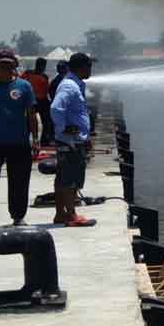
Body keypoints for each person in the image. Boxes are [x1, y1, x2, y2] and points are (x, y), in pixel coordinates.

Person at [0, 48, 38, 230]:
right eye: (1, 64)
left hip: (20, 142)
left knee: (19, 181)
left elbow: (31, 114)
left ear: (14, 66)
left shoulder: (24, 86)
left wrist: (35, 139)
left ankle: (18, 216)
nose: (5, 68)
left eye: (8, 64)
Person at [50, 52, 96, 227]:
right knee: (71, 178)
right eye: (89, 66)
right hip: (70, 142)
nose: (91, 69)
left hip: (73, 140)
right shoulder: (70, 86)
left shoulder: (74, 84)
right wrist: (64, 128)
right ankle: (71, 215)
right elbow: (56, 108)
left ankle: (61, 214)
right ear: (82, 67)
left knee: (63, 177)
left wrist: (86, 135)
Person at [21, 57, 53, 146]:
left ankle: (43, 140)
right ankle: (43, 141)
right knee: (44, 122)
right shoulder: (40, 76)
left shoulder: (28, 74)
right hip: (37, 100)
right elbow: (47, 89)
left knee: (44, 122)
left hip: (38, 100)